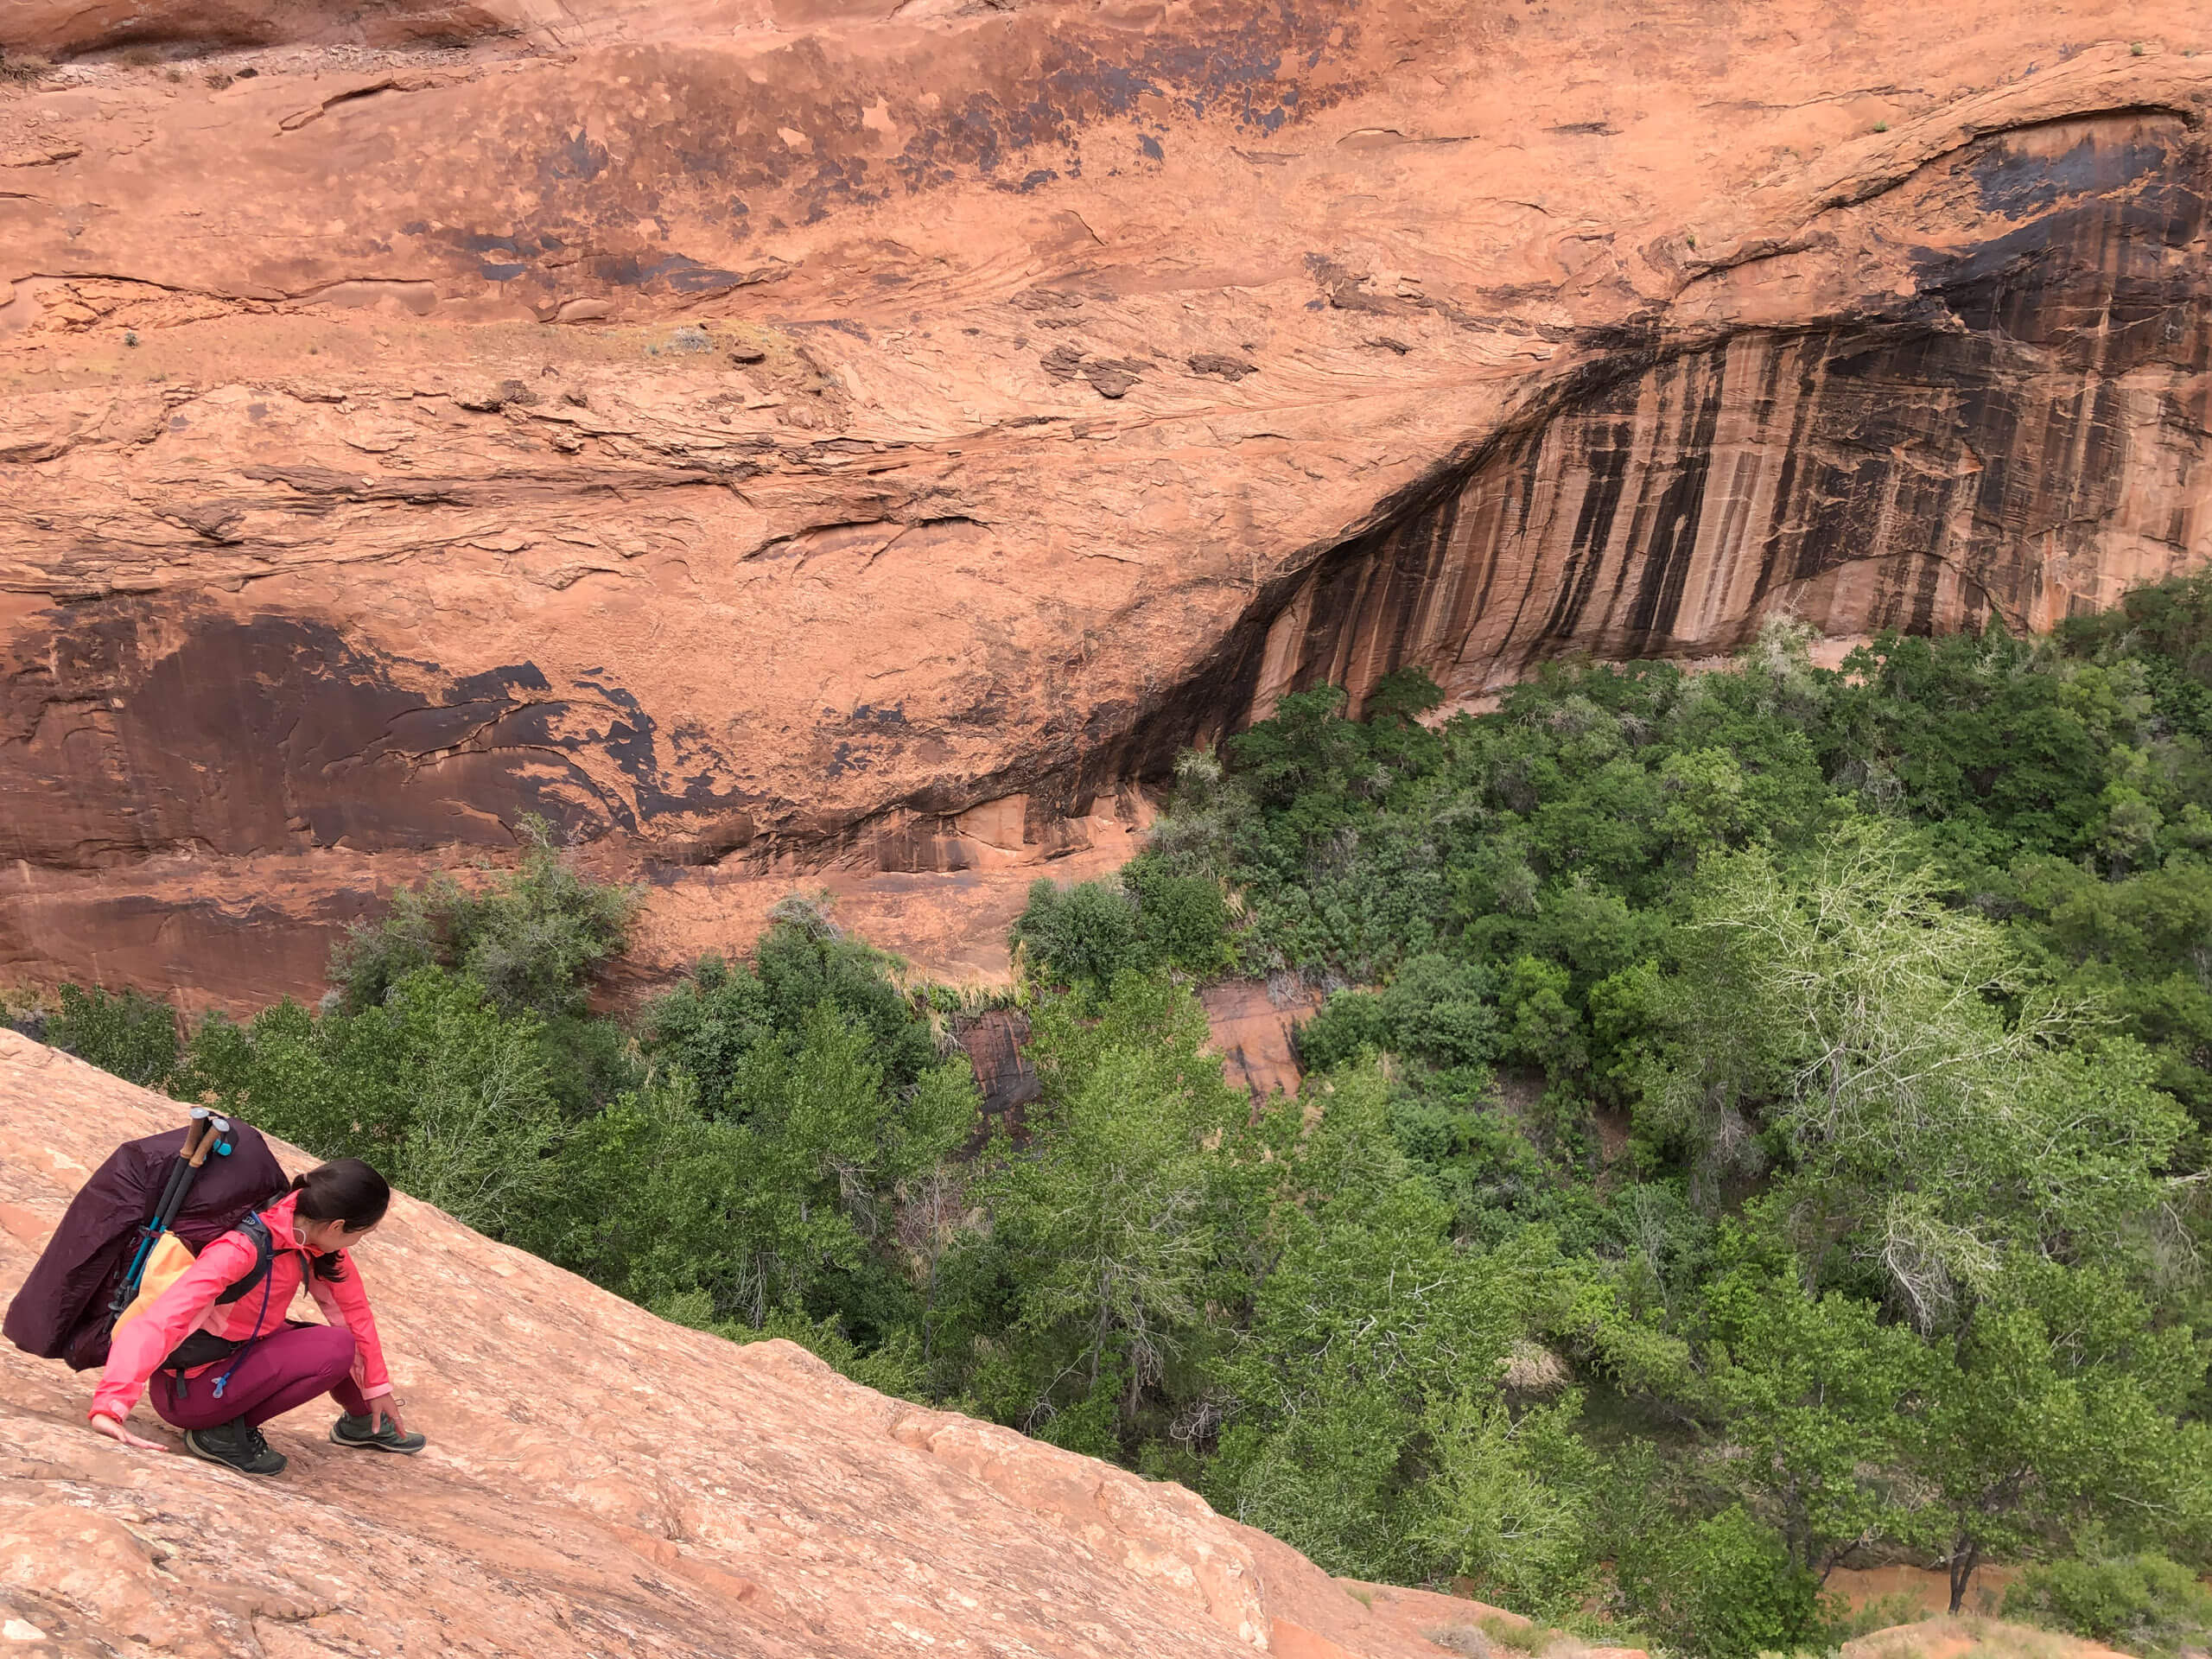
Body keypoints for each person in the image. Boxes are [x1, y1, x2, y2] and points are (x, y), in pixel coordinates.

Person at [86, 1159, 423, 1477]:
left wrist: (375, 1389)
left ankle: (365, 1422)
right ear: (337, 1225)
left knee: (333, 1340)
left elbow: (353, 1313)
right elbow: (161, 1320)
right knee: (333, 1348)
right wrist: (110, 1406)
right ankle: (219, 1434)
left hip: (235, 1357)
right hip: (192, 1392)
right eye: (361, 1234)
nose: (358, 1242)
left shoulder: (311, 1239)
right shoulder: (241, 1248)